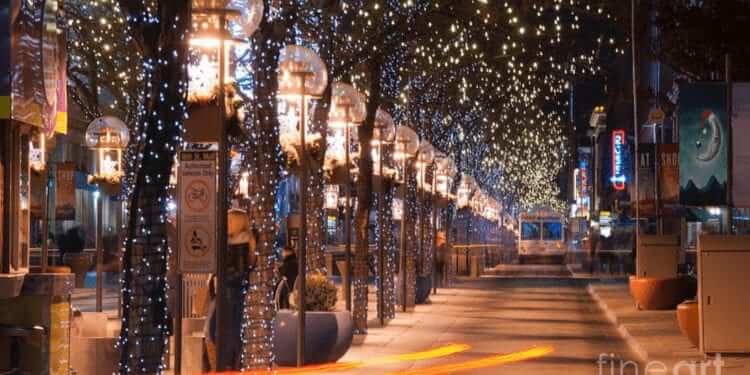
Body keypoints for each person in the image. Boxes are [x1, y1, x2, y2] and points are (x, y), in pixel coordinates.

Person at [204, 208, 257, 371]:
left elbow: (240, 272)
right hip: (227, 290)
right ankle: (229, 364)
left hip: (230, 291)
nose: (226, 223)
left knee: (221, 330)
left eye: (230, 220)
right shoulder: (232, 241)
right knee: (219, 330)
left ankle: (228, 365)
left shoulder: (240, 243)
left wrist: (221, 276)